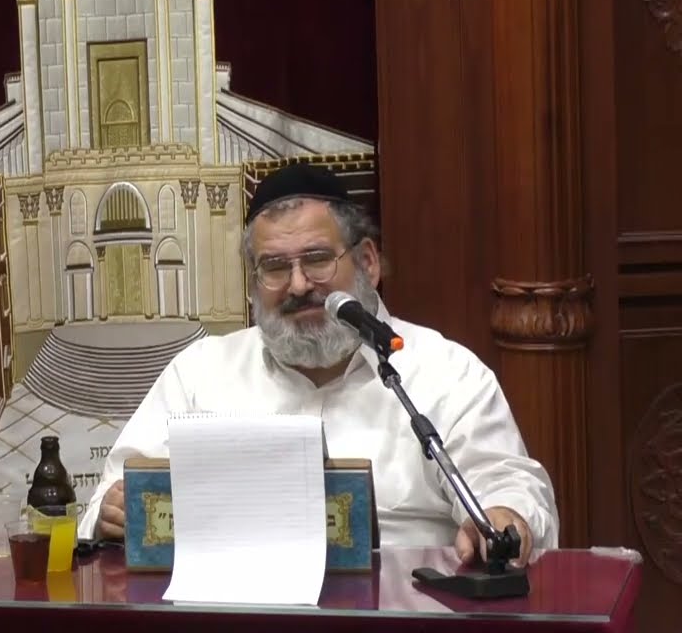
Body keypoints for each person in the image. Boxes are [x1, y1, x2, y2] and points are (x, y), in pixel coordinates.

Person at [76, 163, 559, 567]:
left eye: (317, 259)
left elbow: (506, 484)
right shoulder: (201, 373)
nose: (299, 285)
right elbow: (112, 494)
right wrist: (111, 512)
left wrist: (503, 515)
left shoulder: (444, 371)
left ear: (367, 262)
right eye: (274, 267)